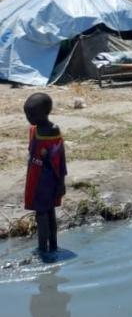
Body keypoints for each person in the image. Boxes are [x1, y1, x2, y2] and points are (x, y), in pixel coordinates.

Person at [23, 93, 66, 258]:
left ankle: (45, 248)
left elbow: (60, 159)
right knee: (44, 212)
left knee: (45, 213)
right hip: (35, 178)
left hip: (48, 178)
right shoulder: (34, 129)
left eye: (32, 114)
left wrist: (61, 182)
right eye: (27, 114)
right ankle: (49, 247)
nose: (29, 118)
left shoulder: (53, 131)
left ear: (46, 112)